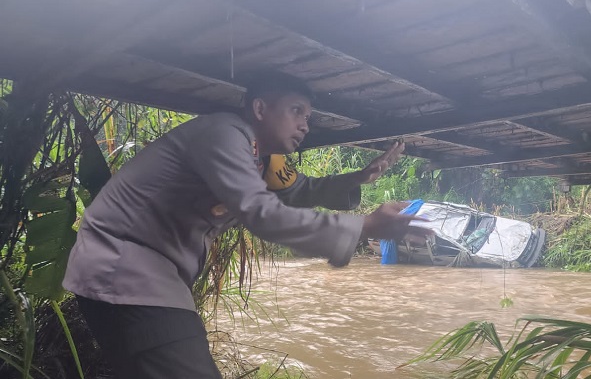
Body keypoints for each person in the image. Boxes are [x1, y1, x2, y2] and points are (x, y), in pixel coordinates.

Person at [62, 70, 428, 379]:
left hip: (151, 275)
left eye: (308, 116)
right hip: (124, 266)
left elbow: (302, 189)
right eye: (296, 111)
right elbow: (261, 212)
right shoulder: (224, 133)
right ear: (259, 109)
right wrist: (364, 226)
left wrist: (360, 177)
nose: (305, 124)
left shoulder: (264, 160)